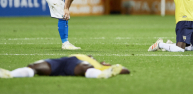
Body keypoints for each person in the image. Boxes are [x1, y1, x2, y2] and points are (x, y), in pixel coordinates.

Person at [0, 54, 130, 79]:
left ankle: (100, 76)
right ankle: (9, 74)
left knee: (85, 68)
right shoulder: (91, 59)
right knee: (34, 66)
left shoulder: (96, 65)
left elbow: (126, 70)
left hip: (75, 64)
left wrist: (110, 67)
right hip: (61, 61)